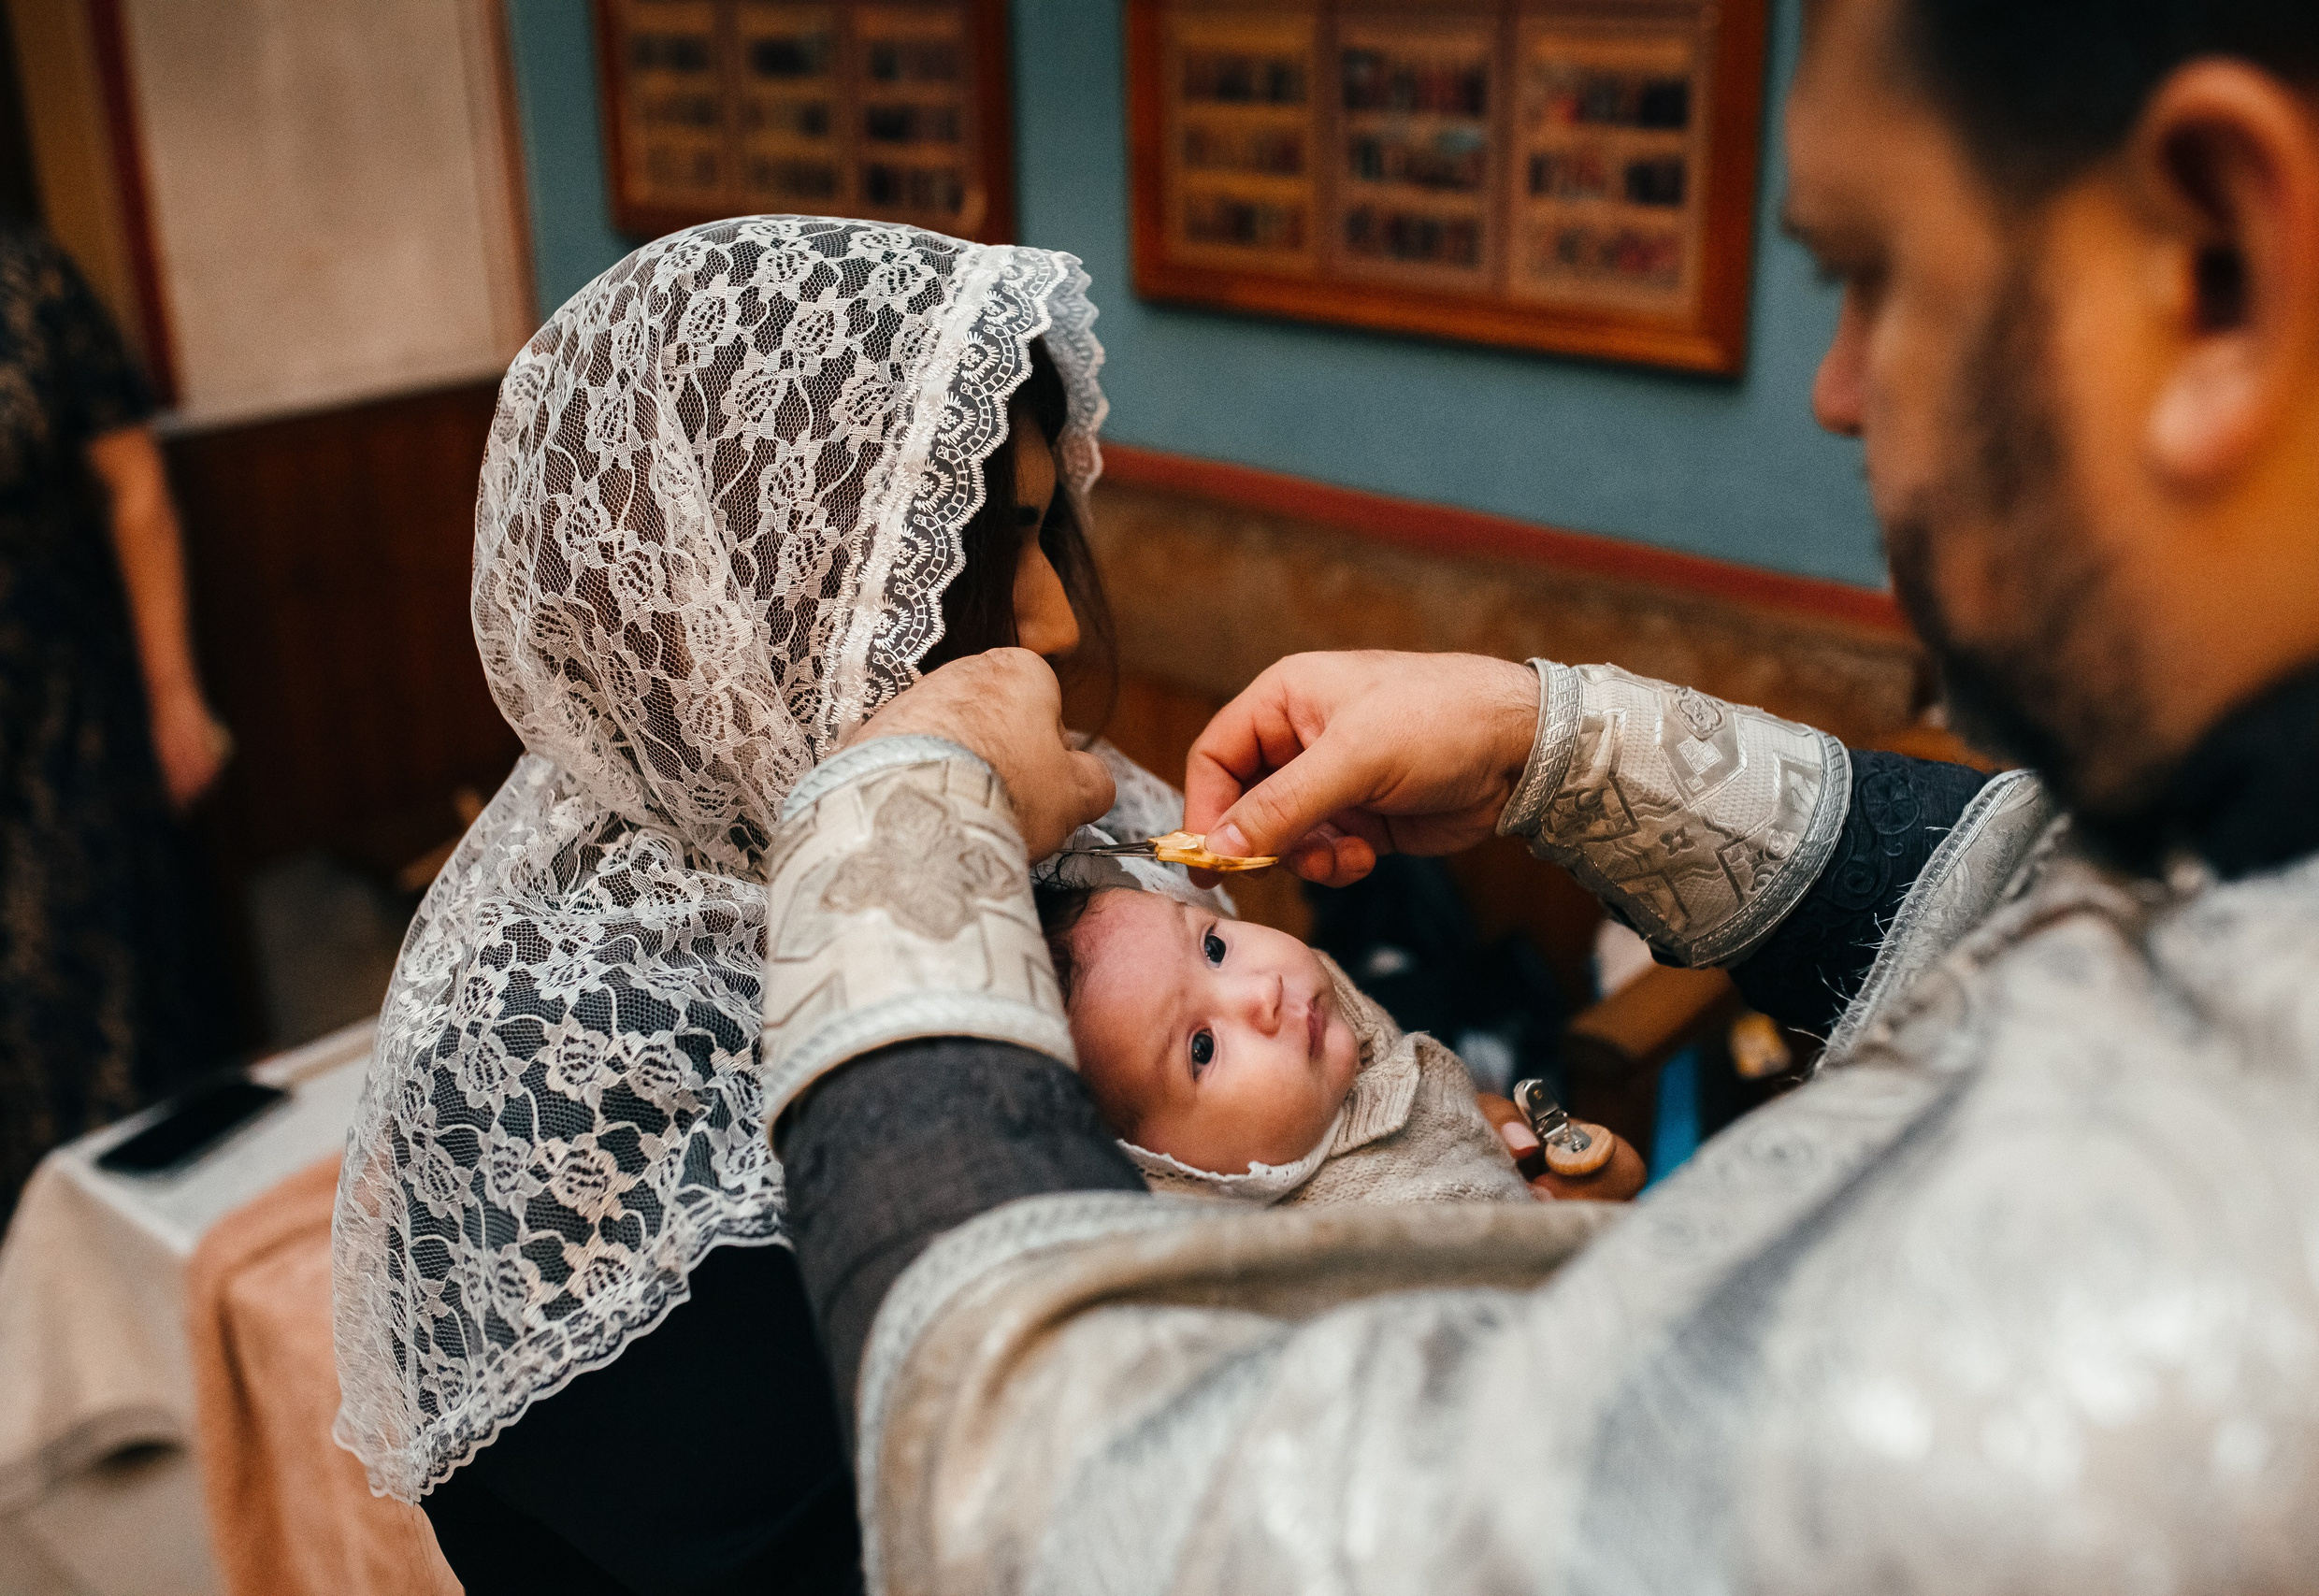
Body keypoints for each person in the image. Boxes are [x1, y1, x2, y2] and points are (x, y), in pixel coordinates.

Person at [754, 1, 2319, 1589]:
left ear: (2218, 262)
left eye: (1871, 273)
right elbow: (2006, 877)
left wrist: (898, 799)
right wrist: (1545, 741)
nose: (1836, 389)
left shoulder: (2150, 1286)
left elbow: (1064, 1513)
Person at [330, 216, 1190, 1595]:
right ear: (764, 613)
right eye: (999, 546)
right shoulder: (547, 1074)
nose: (1058, 624)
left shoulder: (1034, 823)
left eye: (1048, 534)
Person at [0, 85, 227, 1393]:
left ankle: (125, 1339)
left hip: (49, 708)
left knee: (78, 994)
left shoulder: (24, 279)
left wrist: (174, 692)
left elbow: (138, 488)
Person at [1035, 875, 1644, 1202]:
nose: (1262, 993)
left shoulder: (1344, 1060)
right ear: (1168, 1173)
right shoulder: (1330, 1250)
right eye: (1202, 1047)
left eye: (1213, 947)